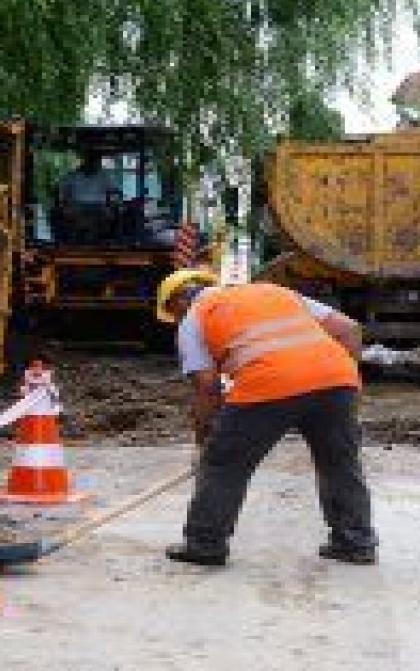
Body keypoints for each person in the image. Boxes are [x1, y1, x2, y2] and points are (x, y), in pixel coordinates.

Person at [154, 268, 378, 567]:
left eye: (174, 315)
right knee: (340, 463)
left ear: (178, 302)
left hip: (267, 384)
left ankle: (205, 544)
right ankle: (355, 543)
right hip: (336, 382)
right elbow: (349, 329)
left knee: (224, 465)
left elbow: (207, 387)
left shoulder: (196, 315)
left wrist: (205, 439)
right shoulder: (275, 291)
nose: (177, 322)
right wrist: (343, 384)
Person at [52, 152, 119, 242]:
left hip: (98, 205)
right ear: (84, 161)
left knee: (110, 216)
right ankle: (74, 240)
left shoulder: (104, 176)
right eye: (90, 160)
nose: (93, 163)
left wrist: (112, 202)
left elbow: (114, 190)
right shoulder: (73, 175)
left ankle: (102, 241)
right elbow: (58, 188)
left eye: (95, 161)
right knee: (69, 216)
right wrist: (61, 204)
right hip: (77, 204)